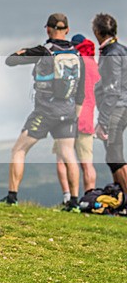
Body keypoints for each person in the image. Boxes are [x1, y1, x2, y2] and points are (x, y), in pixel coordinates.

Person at [2, 13, 85, 205]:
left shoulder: (44, 51)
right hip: (68, 112)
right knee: (68, 154)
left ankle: (12, 197)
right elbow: (81, 91)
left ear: (47, 29)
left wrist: (23, 51)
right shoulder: (77, 55)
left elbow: (10, 60)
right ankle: (74, 202)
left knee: (19, 150)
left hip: (44, 112)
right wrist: (75, 116)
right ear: (68, 30)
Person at [53, 34, 99, 206]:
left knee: (62, 158)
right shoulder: (95, 66)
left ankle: (67, 197)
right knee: (87, 163)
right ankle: (89, 199)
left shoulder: (74, 62)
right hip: (87, 119)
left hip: (69, 116)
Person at [92, 13, 127, 194]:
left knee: (115, 156)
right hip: (122, 106)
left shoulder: (111, 54)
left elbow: (112, 90)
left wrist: (103, 122)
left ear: (97, 32)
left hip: (117, 108)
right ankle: (120, 199)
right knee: (112, 156)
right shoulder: (122, 50)